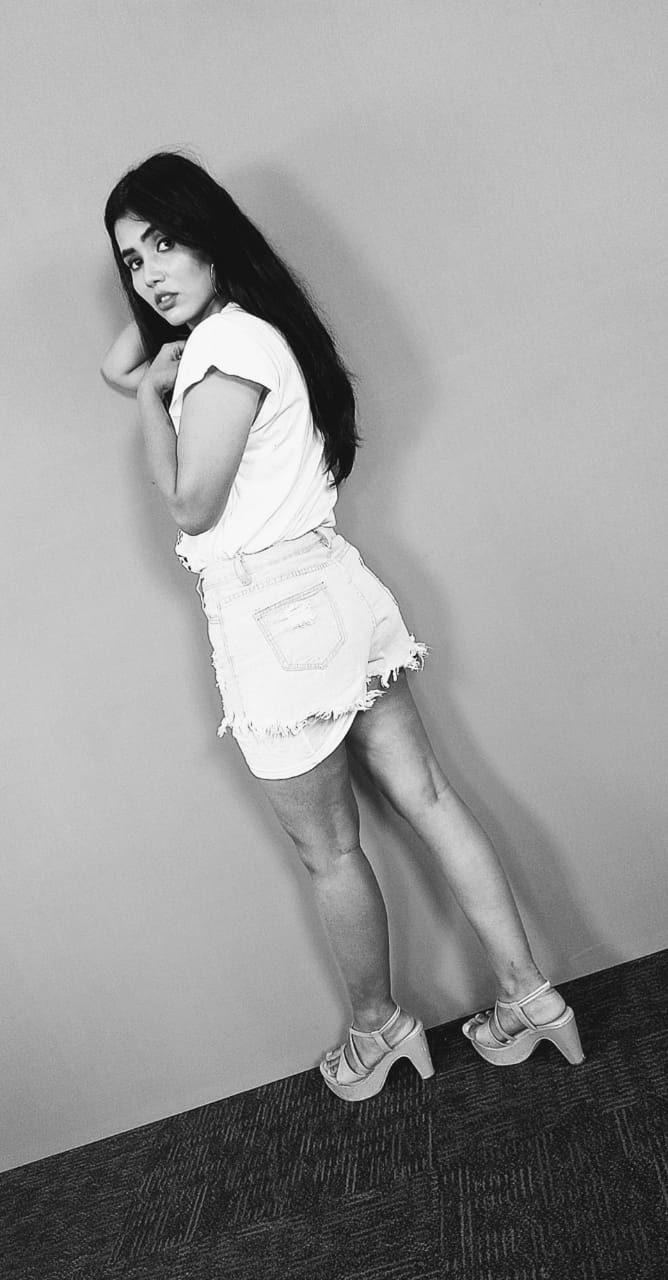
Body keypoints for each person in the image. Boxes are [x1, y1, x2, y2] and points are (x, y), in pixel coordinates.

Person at [101, 151, 584, 1103]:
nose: (150, 273)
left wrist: (153, 401)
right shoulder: (256, 328)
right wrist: (162, 314)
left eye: (165, 241)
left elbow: (192, 504)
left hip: (277, 621)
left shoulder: (224, 351)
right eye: (131, 259)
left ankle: (379, 1029)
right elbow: (117, 358)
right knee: (430, 799)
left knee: (330, 852)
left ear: (210, 234)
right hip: (335, 589)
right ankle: (529, 997)